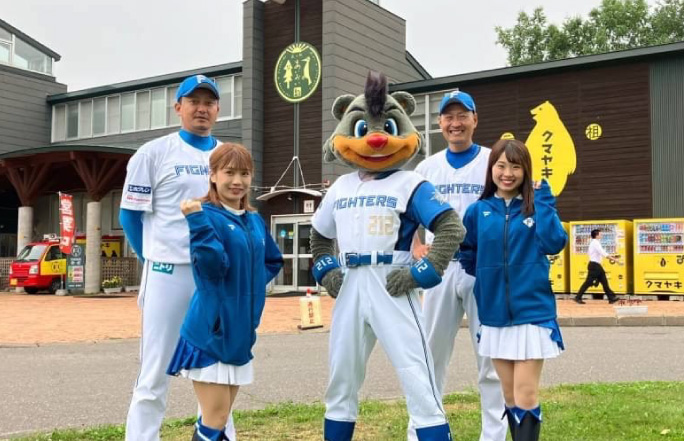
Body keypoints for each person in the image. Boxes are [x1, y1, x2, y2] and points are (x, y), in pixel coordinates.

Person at [311, 71, 463, 441]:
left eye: (387, 127)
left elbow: (451, 226)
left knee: (417, 376)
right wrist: (326, 269)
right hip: (351, 282)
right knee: (341, 377)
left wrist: (423, 272)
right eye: (363, 128)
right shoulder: (340, 187)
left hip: (392, 281)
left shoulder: (411, 183)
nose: (376, 138)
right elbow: (319, 234)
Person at [120, 75, 236, 441]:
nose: (201, 108)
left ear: (218, 109)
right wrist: (152, 259)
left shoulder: (227, 156)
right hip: (168, 273)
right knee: (155, 370)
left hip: (214, 278)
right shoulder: (153, 153)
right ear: (178, 107)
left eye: (209, 102)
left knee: (218, 370)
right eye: (193, 101)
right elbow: (130, 215)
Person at [166, 142, 283, 441]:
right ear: (213, 175)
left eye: (244, 173)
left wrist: (246, 286)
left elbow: (272, 260)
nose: (237, 181)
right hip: (212, 332)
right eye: (229, 172)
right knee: (215, 418)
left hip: (241, 332)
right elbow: (211, 268)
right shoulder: (206, 215)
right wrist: (197, 223)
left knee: (220, 418)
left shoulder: (254, 220)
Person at [410, 90, 506, 441]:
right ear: (439, 123)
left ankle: (493, 435)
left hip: (483, 268)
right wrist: (415, 245)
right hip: (440, 268)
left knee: (491, 358)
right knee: (430, 355)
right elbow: (407, 214)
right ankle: (423, 430)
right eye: (448, 116)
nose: (455, 123)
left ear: (475, 119)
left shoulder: (492, 161)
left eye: (462, 115)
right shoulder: (426, 168)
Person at [459, 139, 568, 441]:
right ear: (491, 168)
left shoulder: (535, 207)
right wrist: (488, 278)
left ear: (525, 170)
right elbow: (467, 253)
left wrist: (544, 201)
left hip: (532, 314)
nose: (507, 173)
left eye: (516, 167)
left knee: (525, 394)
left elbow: (554, 242)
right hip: (494, 316)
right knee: (508, 395)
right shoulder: (477, 211)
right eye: (501, 165)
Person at [575, 229, 620, 304]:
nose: (601, 235)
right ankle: (578, 297)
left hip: (596, 265)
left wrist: (612, 256)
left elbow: (601, 253)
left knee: (604, 282)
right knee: (588, 282)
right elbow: (603, 253)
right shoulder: (595, 243)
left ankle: (611, 298)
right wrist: (614, 260)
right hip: (594, 266)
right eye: (600, 234)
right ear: (596, 235)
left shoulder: (594, 243)